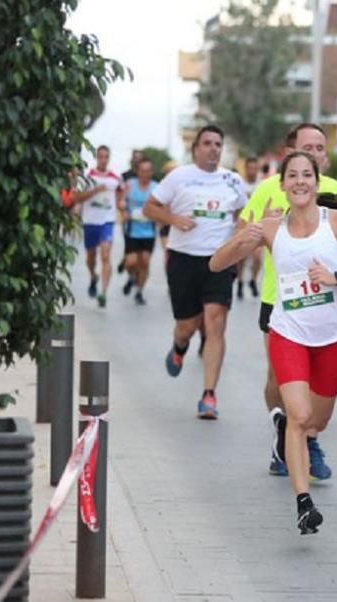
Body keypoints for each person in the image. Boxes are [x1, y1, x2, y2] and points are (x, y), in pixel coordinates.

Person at [210, 151, 337, 534]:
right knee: (300, 416)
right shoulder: (272, 227)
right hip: (288, 333)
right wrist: (246, 237)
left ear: (317, 184)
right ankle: (304, 503)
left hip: (332, 338)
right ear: (283, 185)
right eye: (293, 176)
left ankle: (286, 430)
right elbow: (217, 264)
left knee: (315, 422)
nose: (301, 181)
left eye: (307, 175)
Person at [240, 123, 337, 480]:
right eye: (308, 147)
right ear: (290, 154)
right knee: (279, 377)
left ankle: (306, 438)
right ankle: (284, 429)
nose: (316, 153)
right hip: (279, 297)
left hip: (324, 302)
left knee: (313, 389)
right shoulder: (270, 189)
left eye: (320, 148)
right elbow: (247, 231)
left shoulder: (336, 192)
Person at [143, 125, 247, 419]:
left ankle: (209, 394)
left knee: (216, 323)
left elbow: (244, 214)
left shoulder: (232, 180)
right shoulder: (179, 177)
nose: (214, 148)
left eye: (218, 143)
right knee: (187, 325)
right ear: (196, 149)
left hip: (219, 261)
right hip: (184, 260)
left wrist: (238, 244)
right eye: (208, 143)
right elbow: (151, 208)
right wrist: (173, 218)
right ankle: (179, 345)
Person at [73, 145, 123, 307]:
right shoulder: (89, 177)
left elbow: (121, 193)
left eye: (105, 157)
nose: (103, 159)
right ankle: (93, 276)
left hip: (107, 221)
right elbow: (78, 197)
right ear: (97, 158)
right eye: (100, 156)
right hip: (90, 221)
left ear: (109, 158)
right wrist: (95, 190)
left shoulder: (115, 178)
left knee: (106, 255)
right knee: (91, 257)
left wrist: (121, 203)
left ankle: (103, 293)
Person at [121, 158, 158, 305]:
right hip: (132, 229)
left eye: (148, 171)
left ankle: (139, 291)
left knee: (145, 262)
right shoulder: (130, 185)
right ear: (138, 171)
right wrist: (123, 209)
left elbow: (162, 205)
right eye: (142, 171)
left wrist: (157, 215)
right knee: (131, 262)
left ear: (152, 172)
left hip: (149, 231)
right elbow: (121, 201)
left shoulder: (156, 187)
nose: (145, 174)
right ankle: (131, 276)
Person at [237, 156, 263, 300]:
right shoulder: (240, 184)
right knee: (241, 259)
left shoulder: (262, 185)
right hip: (243, 226)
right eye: (250, 168)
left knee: (257, 257)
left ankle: (253, 280)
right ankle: (240, 281)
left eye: (255, 168)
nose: (252, 171)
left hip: (258, 227)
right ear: (246, 168)